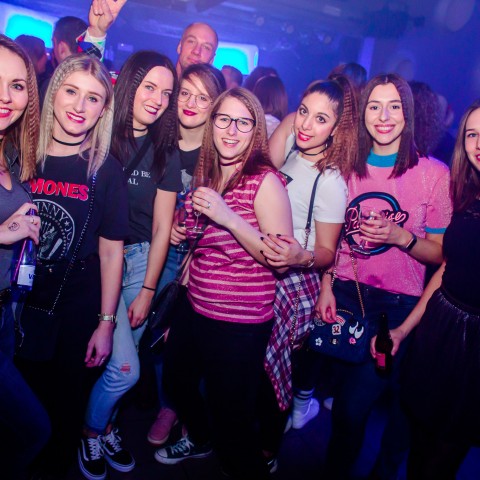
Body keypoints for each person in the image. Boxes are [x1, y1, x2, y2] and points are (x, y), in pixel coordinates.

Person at [318, 73, 451, 479]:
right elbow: (330, 238)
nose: (384, 116)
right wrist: (326, 285)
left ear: (407, 113)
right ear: (363, 113)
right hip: (344, 295)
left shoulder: (433, 174)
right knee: (336, 402)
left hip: (395, 307)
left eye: (394, 106)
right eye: (374, 106)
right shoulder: (345, 168)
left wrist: (399, 237)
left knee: (351, 408)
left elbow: (440, 254)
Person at [155, 87, 293, 479]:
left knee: (231, 420)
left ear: (256, 131)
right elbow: (202, 237)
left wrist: (228, 217)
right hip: (194, 304)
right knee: (177, 383)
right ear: (212, 123)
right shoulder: (209, 174)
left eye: (243, 122)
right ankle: (199, 437)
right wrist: (183, 227)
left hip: (239, 322)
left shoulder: (265, 182)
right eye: (224, 119)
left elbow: (279, 258)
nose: (232, 131)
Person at [16, 53, 129, 478]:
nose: (80, 106)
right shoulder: (20, 153)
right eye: (71, 91)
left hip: (74, 302)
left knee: (63, 406)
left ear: (103, 110)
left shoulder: (106, 171)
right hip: (17, 299)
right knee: (17, 406)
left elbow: (111, 252)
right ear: (53, 94)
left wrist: (106, 324)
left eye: (93, 98)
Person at [80, 50, 181, 479]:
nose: (158, 99)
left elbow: (162, 228)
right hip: (100, 261)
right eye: (149, 87)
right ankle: (90, 430)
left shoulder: (165, 151)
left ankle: (108, 427)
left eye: (166, 93)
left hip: (140, 261)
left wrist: (147, 290)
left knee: (124, 360)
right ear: (129, 84)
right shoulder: (99, 130)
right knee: (123, 368)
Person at [262, 75, 358, 442]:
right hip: (264, 272)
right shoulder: (290, 150)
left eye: (321, 119)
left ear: (336, 129)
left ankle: (268, 451)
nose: (305, 124)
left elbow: (329, 251)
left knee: (275, 373)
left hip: (292, 280)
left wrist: (301, 255)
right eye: (304, 111)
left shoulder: (330, 180)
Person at [394, 100, 480, 479]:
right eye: (472, 134)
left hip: (474, 350)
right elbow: (447, 271)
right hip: (440, 329)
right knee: (419, 444)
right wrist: (403, 329)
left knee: (441, 460)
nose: (478, 143)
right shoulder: (466, 194)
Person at [147, 63, 226, 447]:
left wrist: (192, 235)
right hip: (155, 250)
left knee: (188, 338)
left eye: (203, 97)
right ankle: (165, 401)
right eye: (185, 93)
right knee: (155, 331)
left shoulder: (221, 151)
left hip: (201, 258)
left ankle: (181, 407)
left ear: (216, 105)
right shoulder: (159, 137)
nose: (191, 103)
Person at [0, 33, 51, 480]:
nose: (5, 96)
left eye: (17, 85)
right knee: (33, 430)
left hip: (5, 314)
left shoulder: (12, 153)